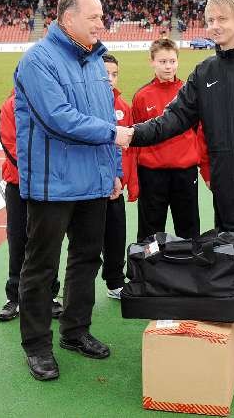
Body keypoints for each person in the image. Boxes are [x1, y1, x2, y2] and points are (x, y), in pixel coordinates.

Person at [120, 0, 234, 383]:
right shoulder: (205, 72)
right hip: (229, 193)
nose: (215, 26)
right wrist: (133, 134)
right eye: (210, 20)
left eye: (222, 19)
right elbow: (173, 119)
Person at [14, 0, 123, 381]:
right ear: (68, 18)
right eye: (93, 17)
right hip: (53, 184)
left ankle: (75, 331)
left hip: (93, 181)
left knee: (86, 259)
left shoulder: (95, 60)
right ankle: (36, 345)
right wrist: (113, 135)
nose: (101, 24)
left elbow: (104, 115)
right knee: (42, 266)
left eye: (101, 16)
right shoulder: (37, 61)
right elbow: (57, 118)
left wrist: (113, 170)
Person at [131, 38, 209, 242]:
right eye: (163, 61)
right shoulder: (142, 96)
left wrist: (205, 169)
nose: (168, 66)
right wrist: (133, 178)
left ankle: (190, 262)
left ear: (178, 61)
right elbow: (135, 139)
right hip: (152, 173)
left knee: (188, 227)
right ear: (152, 62)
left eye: (172, 61)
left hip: (185, 172)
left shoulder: (189, 93)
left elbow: (199, 134)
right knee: (150, 230)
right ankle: (149, 262)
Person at [0, 89, 63, 322]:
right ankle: (15, 297)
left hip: (48, 185)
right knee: (18, 240)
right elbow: (10, 145)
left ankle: (49, 295)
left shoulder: (52, 100)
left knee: (48, 240)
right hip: (19, 185)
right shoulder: (10, 105)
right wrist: (37, 170)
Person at [102, 53, 137, 300]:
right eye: (105, 74)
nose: (110, 79)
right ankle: (79, 288)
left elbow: (129, 150)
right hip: (90, 186)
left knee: (116, 234)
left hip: (116, 185)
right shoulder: (84, 104)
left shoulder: (123, 107)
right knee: (86, 241)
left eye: (114, 74)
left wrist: (128, 181)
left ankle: (115, 281)